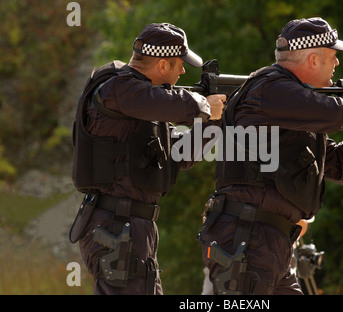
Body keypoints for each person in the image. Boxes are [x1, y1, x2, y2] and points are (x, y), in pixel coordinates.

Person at [199, 17, 343, 295]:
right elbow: (337, 113)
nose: (336, 65)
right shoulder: (269, 87)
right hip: (246, 237)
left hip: (271, 242)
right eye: (332, 57)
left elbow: (341, 168)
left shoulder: (298, 111)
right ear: (313, 59)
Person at [69, 23, 226, 295]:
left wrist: (214, 123)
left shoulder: (144, 105)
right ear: (163, 65)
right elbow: (173, 105)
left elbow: (182, 154)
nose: (183, 71)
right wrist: (203, 105)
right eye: (180, 64)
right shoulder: (118, 88)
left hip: (131, 228)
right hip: (117, 225)